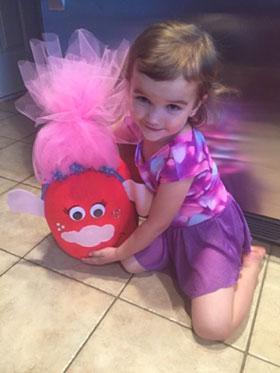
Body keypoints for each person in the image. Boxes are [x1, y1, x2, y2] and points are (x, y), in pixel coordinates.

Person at [83, 21, 266, 342]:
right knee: (133, 264)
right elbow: (104, 138)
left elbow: (154, 223)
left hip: (206, 230)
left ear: (196, 104)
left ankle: (250, 263)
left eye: (172, 106)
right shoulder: (138, 122)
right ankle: (174, 255)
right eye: (142, 98)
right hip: (172, 227)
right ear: (130, 85)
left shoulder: (184, 152)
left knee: (212, 328)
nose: (153, 118)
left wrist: (113, 253)